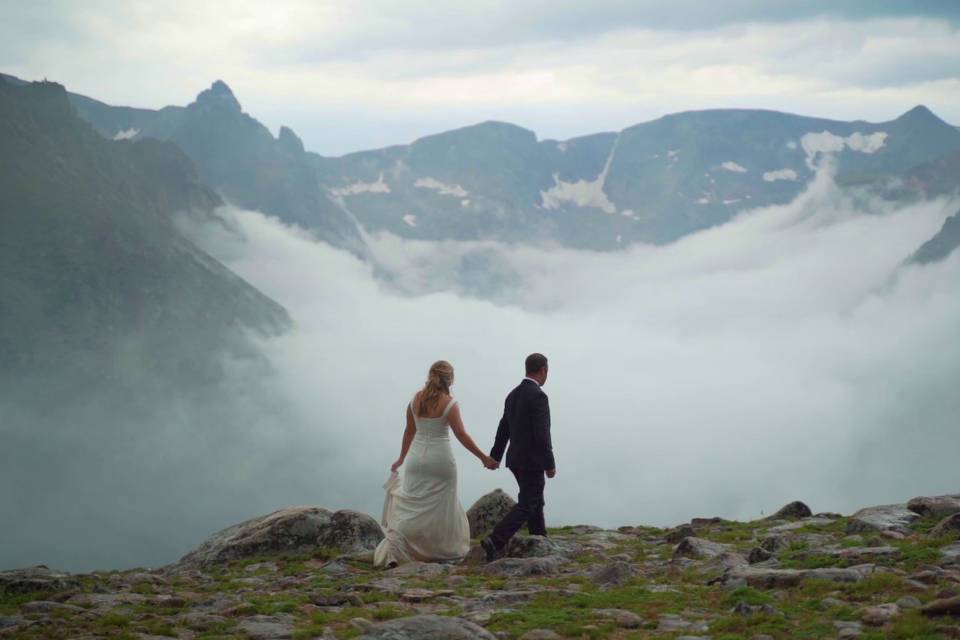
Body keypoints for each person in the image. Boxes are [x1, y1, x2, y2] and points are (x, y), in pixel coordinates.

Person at [374, 360, 499, 568]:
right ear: (450, 379)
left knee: (412, 505)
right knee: (441, 506)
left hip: (416, 460)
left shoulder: (415, 399)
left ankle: (400, 549)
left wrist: (401, 459)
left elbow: (409, 431)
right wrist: (483, 457)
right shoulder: (449, 403)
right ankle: (436, 549)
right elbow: (460, 434)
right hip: (440, 461)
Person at [480, 353, 556, 562]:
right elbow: (542, 434)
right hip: (532, 460)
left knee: (535, 499)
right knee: (529, 501)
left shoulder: (512, 395)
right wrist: (549, 464)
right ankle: (495, 540)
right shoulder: (539, 396)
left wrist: (495, 455)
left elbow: (503, 428)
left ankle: (539, 538)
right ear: (543, 370)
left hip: (515, 459)